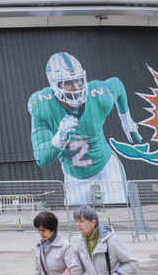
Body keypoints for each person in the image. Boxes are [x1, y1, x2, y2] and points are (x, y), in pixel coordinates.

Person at [29, 52, 143, 205]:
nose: (76, 87)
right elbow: (42, 159)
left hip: (106, 169)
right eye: (69, 82)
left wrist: (126, 120)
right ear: (55, 85)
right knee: (80, 220)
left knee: (117, 215)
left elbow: (117, 84)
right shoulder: (42, 105)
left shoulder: (98, 94)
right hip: (74, 178)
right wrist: (59, 138)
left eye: (79, 80)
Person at [70, 204, 138, 275]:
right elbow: (80, 266)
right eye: (76, 221)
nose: (78, 224)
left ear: (93, 223)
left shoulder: (111, 240)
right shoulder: (80, 243)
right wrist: (69, 270)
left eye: (81, 221)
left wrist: (117, 274)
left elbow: (133, 263)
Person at [33, 210, 82, 275]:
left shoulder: (65, 247)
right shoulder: (39, 247)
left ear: (53, 229)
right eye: (39, 230)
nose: (41, 233)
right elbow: (38, 270)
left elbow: (76, 270)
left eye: (43, 230)